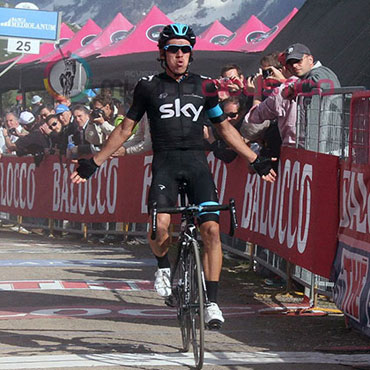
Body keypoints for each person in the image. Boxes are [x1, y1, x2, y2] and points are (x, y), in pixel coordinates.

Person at [71, 23, 276, 329]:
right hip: (165, 164)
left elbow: (223, 128)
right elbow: (125, 129)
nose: (180, 56)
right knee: (160, 228)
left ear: (191, 54)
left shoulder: (205, 86)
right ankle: (163, 267)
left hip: (197, 164)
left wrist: (254, 159)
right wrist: (95, 162)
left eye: (185, 50)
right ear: (163, 53)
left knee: (211, 230)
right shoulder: (148, 87)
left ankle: (212, 302)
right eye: (173, 50)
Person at [282, 43, 341, 153]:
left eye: (298, 61)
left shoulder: (321, 72)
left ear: (310, 59)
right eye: (290, 64)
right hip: (320, 145)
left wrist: (294, 88)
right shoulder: (307, 78)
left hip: (331, 147)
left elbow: (321, 83)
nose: (294, 66)